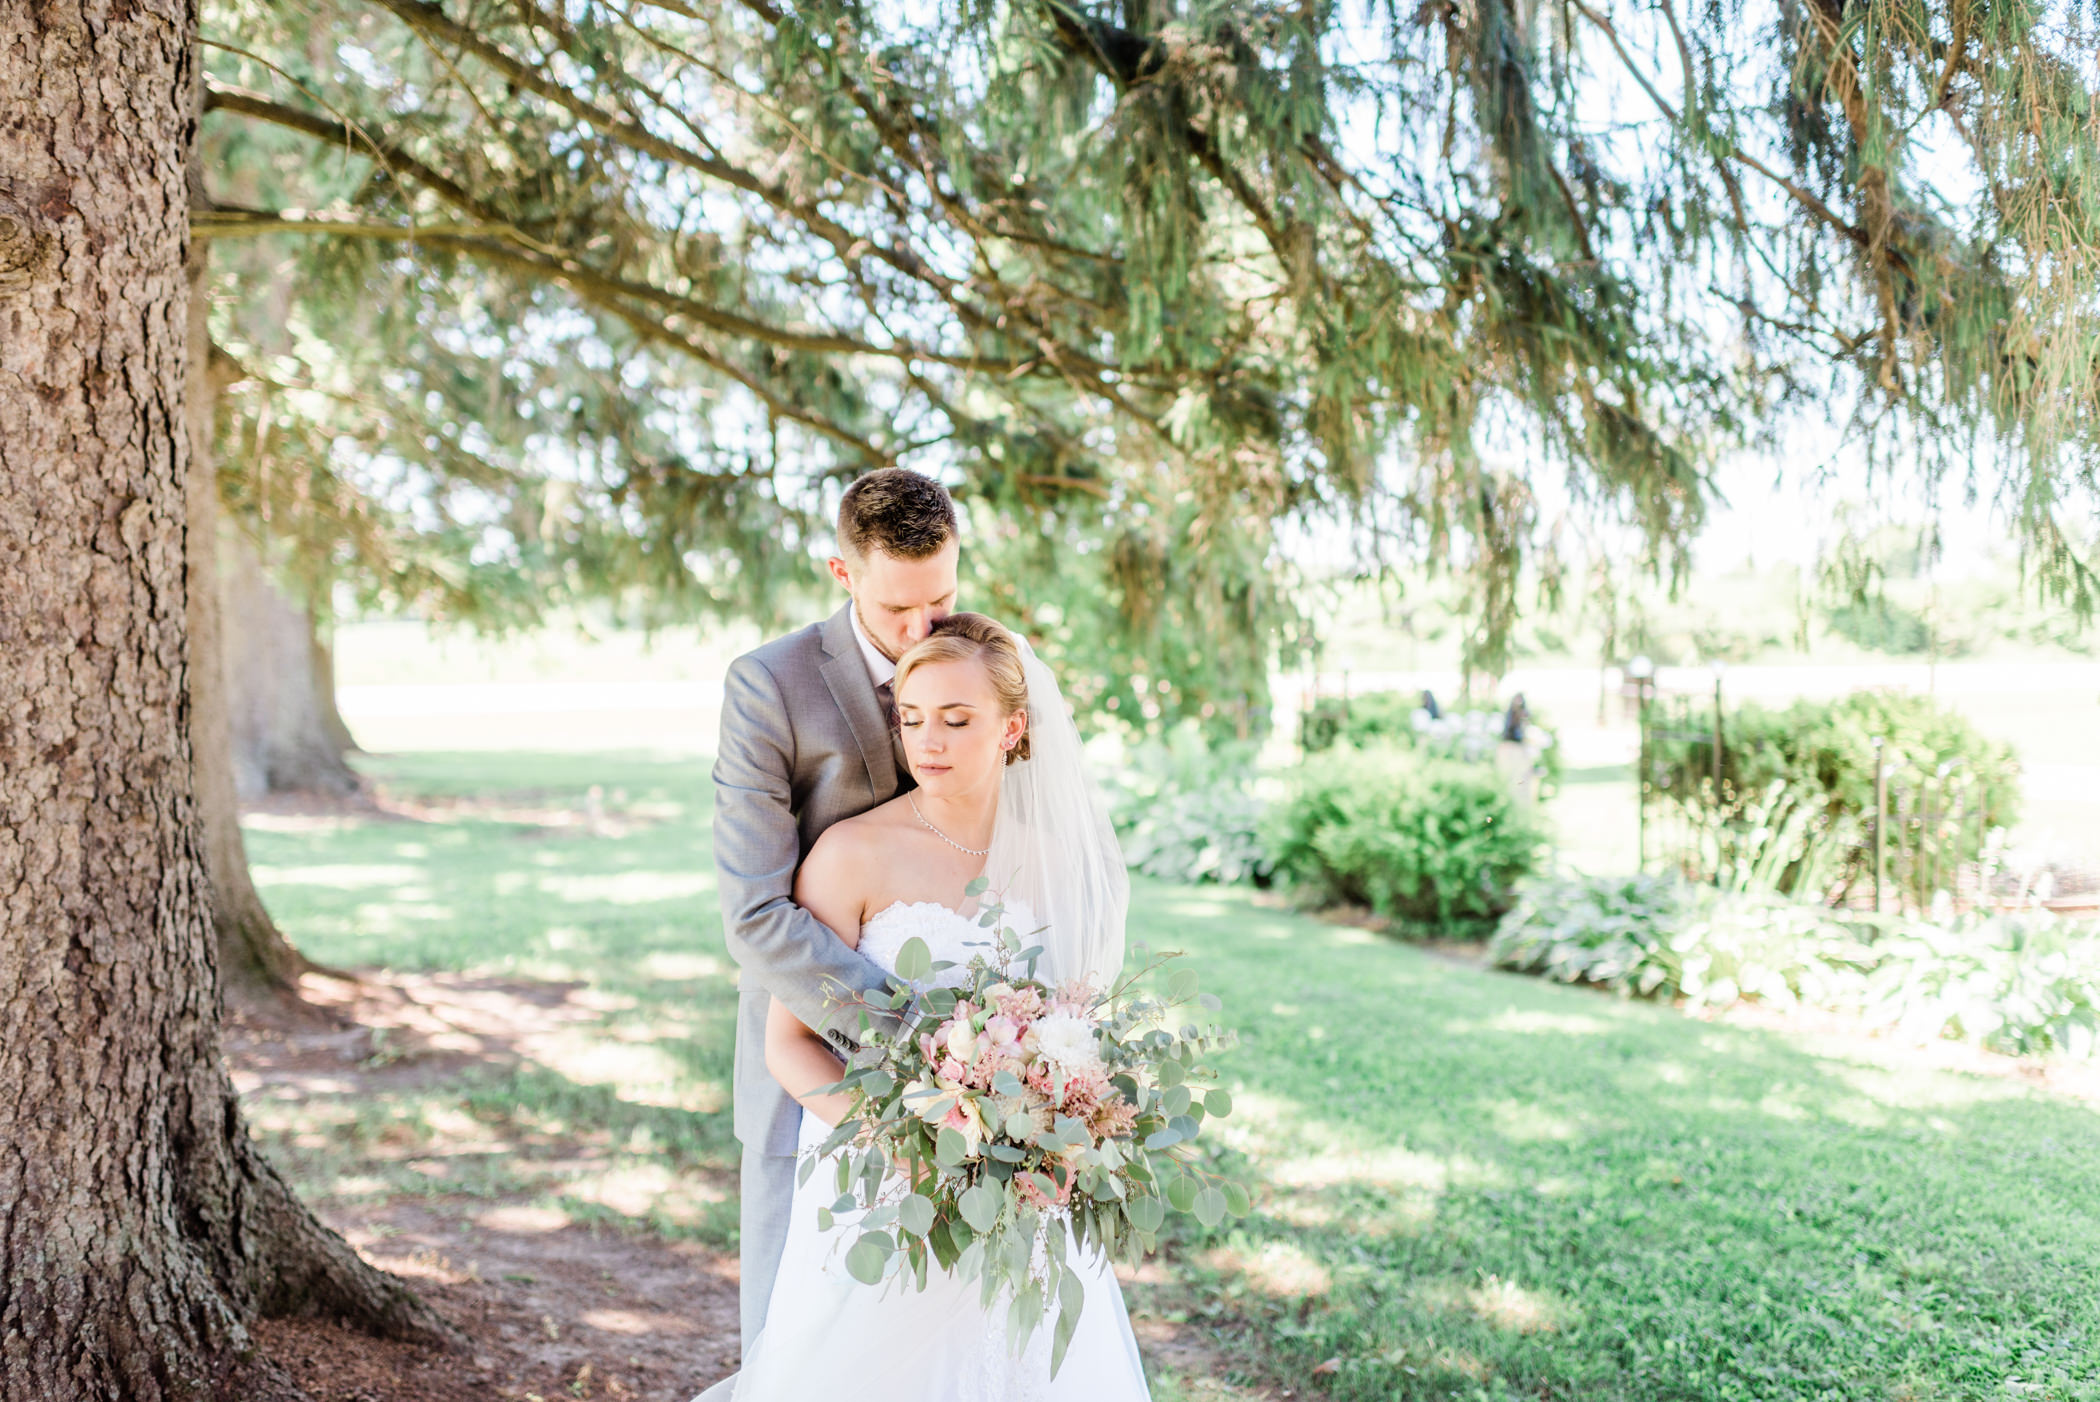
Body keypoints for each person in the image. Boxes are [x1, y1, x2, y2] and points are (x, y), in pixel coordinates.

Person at [700, 612, 1148, 1400]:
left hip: (1016, 1185)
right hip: (880, 1181)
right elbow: (790, 1044)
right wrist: (899, 1143)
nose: (927, 742)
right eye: (910, 719)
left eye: (955, 719)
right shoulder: (851, 854)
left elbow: (1075, 1030)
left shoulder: (1059, 865)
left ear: (1012, 728)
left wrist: (1062, 1124)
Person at [711, 467, 960, 1353]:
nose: (924, 629)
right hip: (810, 1057)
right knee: (796, 1341)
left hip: (983, 1078)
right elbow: (753, 919)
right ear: (841, 572)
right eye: (899, 610)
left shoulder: (984, 660)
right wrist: (927, 1037)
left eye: (942, 598)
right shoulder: (768, 687)